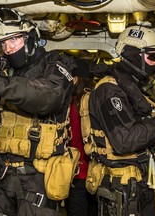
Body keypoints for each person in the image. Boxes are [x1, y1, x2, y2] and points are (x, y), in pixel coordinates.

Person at [0, 7, 108, 216]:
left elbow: (49, 97)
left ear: (30, 37)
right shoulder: (3, 72)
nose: (8, 48)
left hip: (38, 178)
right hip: (2, 176)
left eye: (14, 40)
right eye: (3, 43)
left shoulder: (54, 63)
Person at [83, 25, 155, 216]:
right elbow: (124, 141)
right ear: (133, 54)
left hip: (141, 185)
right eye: (152, 56)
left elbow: (146, 140)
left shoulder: (135, 90)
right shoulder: (109, 91)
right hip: (120, 189)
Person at [65, 77, 98, 216]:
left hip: (77, 172)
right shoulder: (97, 105)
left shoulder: (72, 106)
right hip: (96, 172)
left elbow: (70, 139)